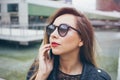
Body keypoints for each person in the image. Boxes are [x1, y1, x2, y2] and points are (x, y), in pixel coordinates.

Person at [27, 7, 111, 80]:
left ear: (81, 40)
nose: (53, 35)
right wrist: (41, 76)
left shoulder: (100, 78)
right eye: (52, 28)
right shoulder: (37, 69)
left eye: (63, 29)